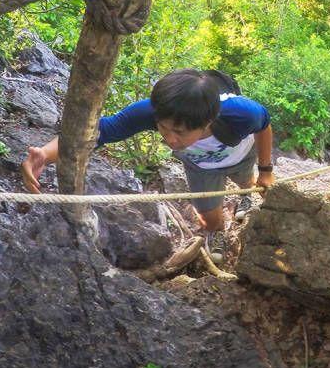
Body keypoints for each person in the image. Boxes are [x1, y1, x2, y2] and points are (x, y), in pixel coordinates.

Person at [20, 68, 274, 261]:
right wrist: (45, 153)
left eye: (180, 132)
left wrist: (265, 170)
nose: (170, 139)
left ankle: (245, 196)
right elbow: (101, 131)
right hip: (200, 167)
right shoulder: (156, 110)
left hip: (241, 156)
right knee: (209, 218)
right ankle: (216, 231)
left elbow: (264, 126)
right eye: (163, 128)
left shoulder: (242, 113)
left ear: (208, 121)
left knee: (246, 183)